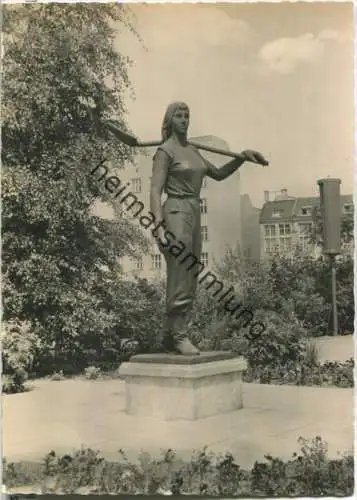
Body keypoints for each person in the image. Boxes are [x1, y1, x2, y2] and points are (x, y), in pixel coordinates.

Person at [150, 101, 267, 355]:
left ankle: (168, 335)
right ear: (169, 121)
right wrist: (158, 225)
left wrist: (242, 157)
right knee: (181, 272)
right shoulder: (164, 151)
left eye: (187, 115)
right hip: (175, 212)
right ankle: (179, 335)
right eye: (178, 115)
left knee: (190, 274)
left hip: (193, 210)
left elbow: (218, 173)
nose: (184, 119)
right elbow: (154, 190)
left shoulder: (192, 151)